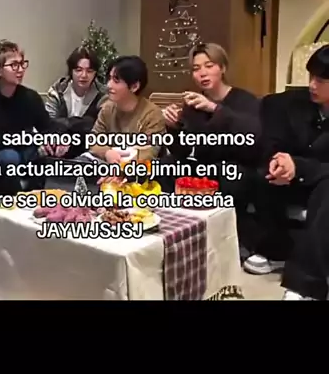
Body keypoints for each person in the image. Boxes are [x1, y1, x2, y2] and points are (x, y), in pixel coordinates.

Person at [243, 45, 329, 300]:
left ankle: (307, 283)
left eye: (321, 80)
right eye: (311, 76)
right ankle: (275, 250)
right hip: (291, 177)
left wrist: (298, 167)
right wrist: (279, 162)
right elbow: (271, 143)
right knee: (264, 174)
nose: (312, 85)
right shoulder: (287, 104)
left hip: (322, 180)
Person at [162, 43, 261, 256]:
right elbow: (182, 151)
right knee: (166, 165)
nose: (202, 73)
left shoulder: (245, 100)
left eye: (209, 66)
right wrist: (173, 127)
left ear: (222, 68)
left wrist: (214, 108)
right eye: (196, 69)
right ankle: (176, 230)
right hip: (204, 165)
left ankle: (234, 239)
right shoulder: (193, 104)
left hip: (238, 166)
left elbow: (253, 137)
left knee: (230, 175)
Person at [0, 40, 69, 187]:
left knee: (47, 151)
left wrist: (56, 138)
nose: (20, 69)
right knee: (9, 157)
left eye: (22, 64)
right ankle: (12, 198)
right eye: (14, 65)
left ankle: (37, 197)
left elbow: (47, 126)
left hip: (24, 150)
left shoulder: (30, 97)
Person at [89, 56, 166, 166]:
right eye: (109, 78)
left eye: (116, 81)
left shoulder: (152, 115)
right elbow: (94, 140)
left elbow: (147, 153)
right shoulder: (107, 108)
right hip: (108, 164)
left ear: (134, 86)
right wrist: (107, 152)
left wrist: (122, 164)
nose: (109, 85)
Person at [44, 47, 107, 156]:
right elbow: (48, 123)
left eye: (89, 71)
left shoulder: (102, 95)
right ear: (71, 71)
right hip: (57, 145)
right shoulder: (58, 90)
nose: (84, 75)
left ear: (95, 73)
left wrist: (66, 126)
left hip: (87, 148)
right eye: (78, 70)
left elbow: (98, 129)